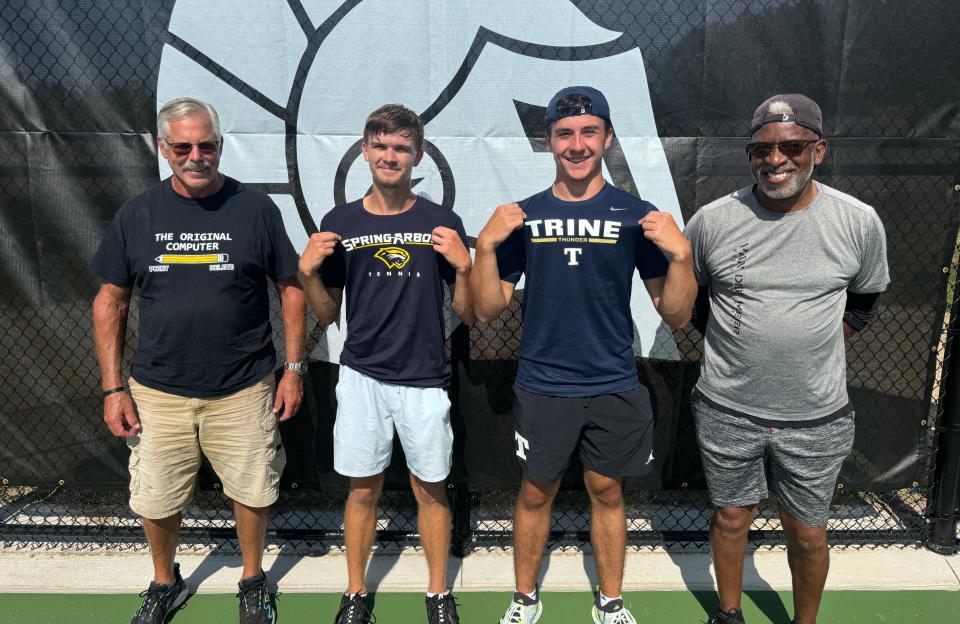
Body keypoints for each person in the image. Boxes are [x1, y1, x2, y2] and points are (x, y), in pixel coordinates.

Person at [470, 86, 697, 624]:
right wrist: (484, 246)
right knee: (534, 493)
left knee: (608, 490)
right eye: (565, 133)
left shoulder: (636, 215)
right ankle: (525, 599)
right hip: (544, 383)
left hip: (614, 380)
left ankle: (610, 601)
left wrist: (682, 254)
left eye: (588, 131)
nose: (577, 144)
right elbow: (486, 307)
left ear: (607, 138)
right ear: (548, 140)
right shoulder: (522, 215)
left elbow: (678, 313)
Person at [91, 97, 306, 624]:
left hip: (245, 384)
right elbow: (109, 301)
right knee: (156, 498)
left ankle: (253, 582)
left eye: (206, 145)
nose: (195, 156)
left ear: (219, 147)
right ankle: (166, 582)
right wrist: (113, 388)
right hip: (158, 390)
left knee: (253, 490)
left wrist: (294, 369)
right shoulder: (137, 213)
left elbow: (291, 289)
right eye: (182, 146)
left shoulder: (256, 209)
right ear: (163, 149)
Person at [685, 94, 889, 624]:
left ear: (818, 150)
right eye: (762, 149)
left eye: (792, 146)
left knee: (808, 531)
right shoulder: (711, 220)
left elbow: (865, 303)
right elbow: (693, 302)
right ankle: (728, 614)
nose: (776, 160)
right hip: (727, 407)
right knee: (730, 517)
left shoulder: (858, 222)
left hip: (817, 415)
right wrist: (743, 347)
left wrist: (809, 344)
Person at [298, 104, 474, 624]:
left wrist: (464, 269)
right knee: (362, 487)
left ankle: (438, 594)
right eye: (380, 145)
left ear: (417, 154)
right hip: (362, 376)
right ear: (364, 151)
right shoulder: (341, 222)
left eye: (400, 147)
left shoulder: (442, 221)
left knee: (431, 489)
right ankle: (355, 594)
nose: (390, 155)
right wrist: (308, 276)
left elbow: (466, 313)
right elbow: (329, 315)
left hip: (424, 376)